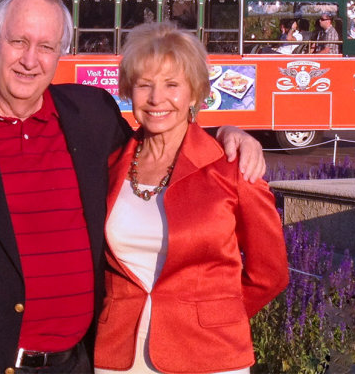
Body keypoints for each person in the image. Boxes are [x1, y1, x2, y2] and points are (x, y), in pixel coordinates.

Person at [0, 0, 266, 374]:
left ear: (61, 53)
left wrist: (223, 134)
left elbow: (159, 145)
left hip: (79, 363)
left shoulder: (90, 116)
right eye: (18, 41)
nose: (30, 60)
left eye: (46, 46)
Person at [94, 23, 289, 374]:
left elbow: (270, 273)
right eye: (144, 85)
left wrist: (214, 318)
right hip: (119, 354)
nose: (156, 99)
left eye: (172, 85)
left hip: (208, 355)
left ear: (195, 93)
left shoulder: (231, 168)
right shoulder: (110, 164)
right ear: (128, 90)